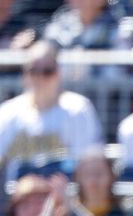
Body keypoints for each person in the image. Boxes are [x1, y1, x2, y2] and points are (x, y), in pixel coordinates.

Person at [0, 42, 101, 182]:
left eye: (47, 71)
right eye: (33, 71)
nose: (40, 77)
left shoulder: (78, 109)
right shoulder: (8, 112)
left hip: (65, 195)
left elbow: (87, 163)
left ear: (58, 73)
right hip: (19, 197)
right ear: (25, 75)